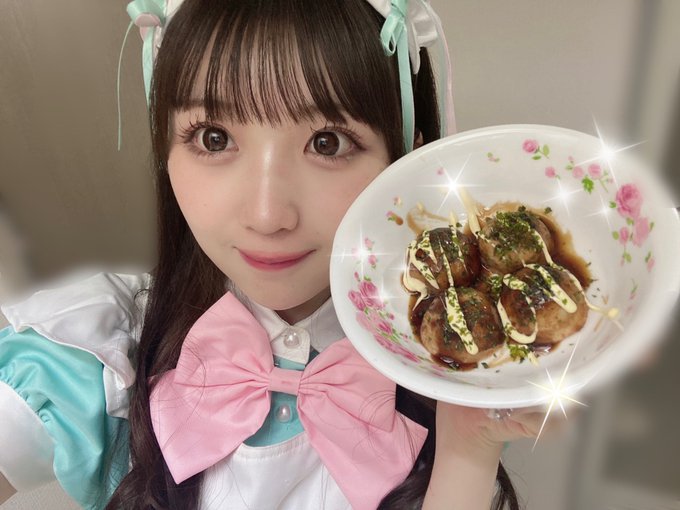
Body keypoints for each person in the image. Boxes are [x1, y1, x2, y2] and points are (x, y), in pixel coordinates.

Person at [0, 0, 553, 508]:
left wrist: (466, 451)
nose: (267, 216)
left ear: (407, 161)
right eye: (214, 138)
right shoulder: (104, 355)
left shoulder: (454, 347)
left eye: (327, 143)